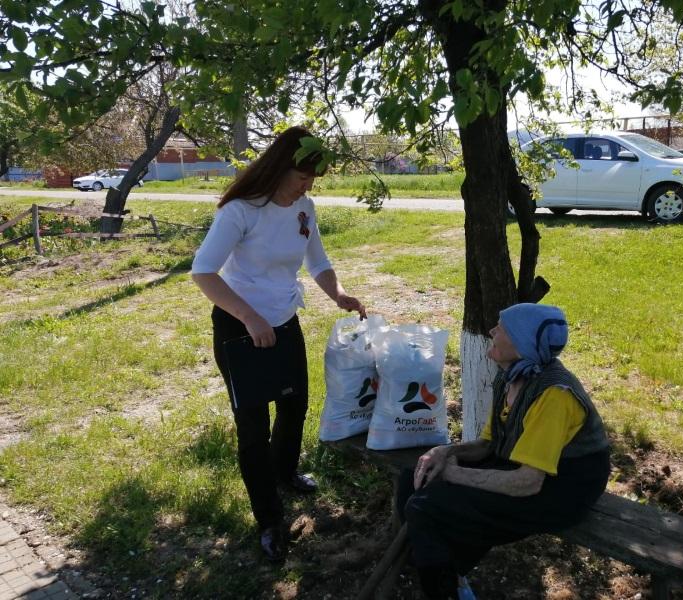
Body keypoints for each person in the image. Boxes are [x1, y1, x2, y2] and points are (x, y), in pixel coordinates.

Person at [191, 126, 366, 562]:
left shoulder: (304, 208)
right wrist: (249, 316)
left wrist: (338, 293)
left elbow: (318, 261)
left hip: (284, 322)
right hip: (239, 327)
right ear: (278, 168)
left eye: (311, 181)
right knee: (253, 427)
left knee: (294, 405)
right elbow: (204, 272)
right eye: (301, 178)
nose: (306, 187)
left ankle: (285, 473)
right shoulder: (240, 211)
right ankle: (269, 520)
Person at [398, 303, 610, 599]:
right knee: (413, 479)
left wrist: (454, 473)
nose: (492, 331)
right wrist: (444, 453)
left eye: (502, 328)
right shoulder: (511, 375)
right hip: (521, 466)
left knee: (428, 506)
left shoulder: (554, 395)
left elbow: (528, 482)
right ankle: (442, 572)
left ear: (523, 343)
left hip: (562, 488)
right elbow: (488, 444)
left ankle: (445, 587)